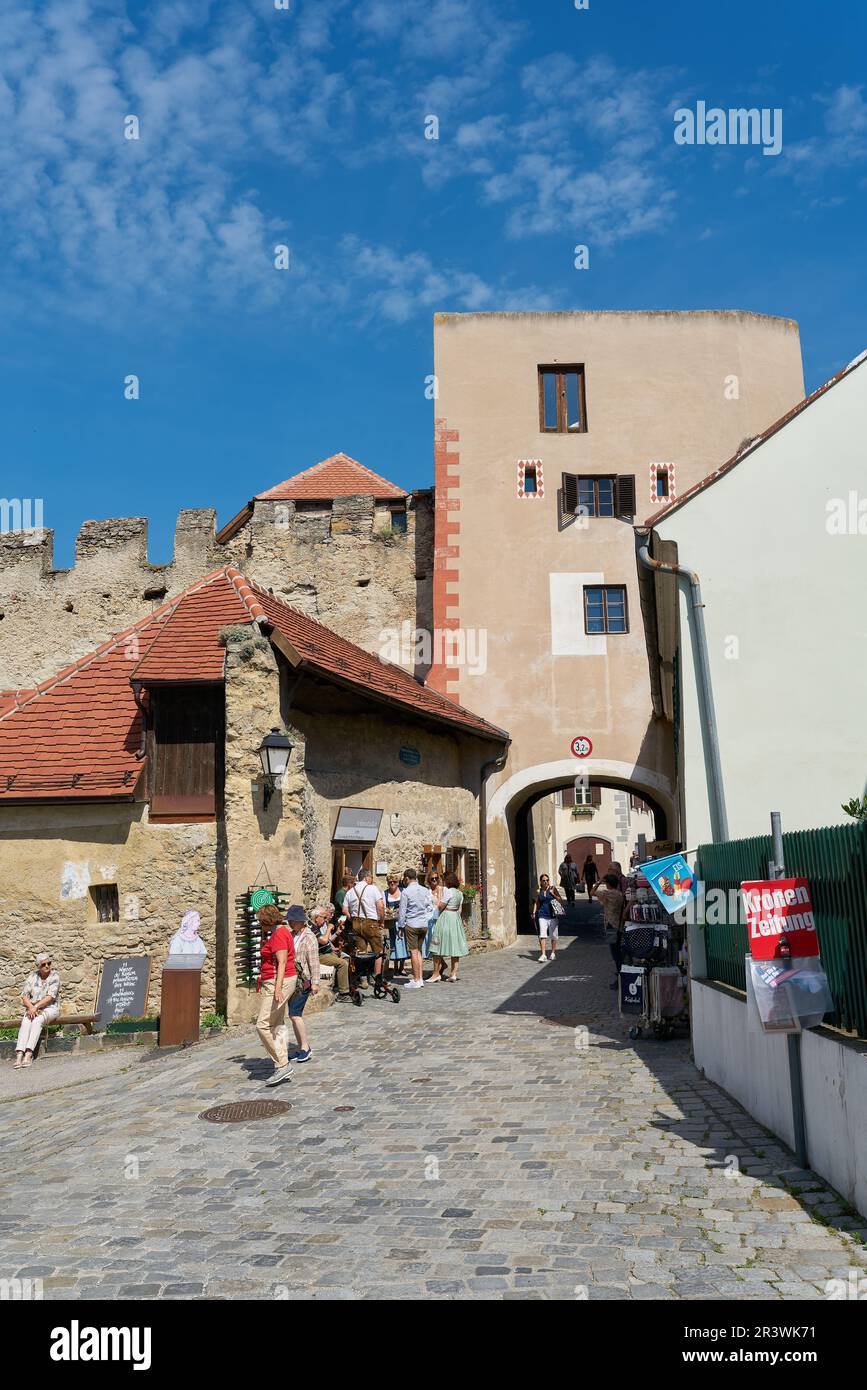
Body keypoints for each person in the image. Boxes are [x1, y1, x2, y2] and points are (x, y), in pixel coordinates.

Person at [256, 904, 295, 1087]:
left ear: (266, 921)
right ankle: (282, 1064)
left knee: (262, 1024)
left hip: (277, 982)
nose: (259, 925)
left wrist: (278, 988)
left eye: (260, 921)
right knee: (276, 1024)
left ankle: (282, 1064)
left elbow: (282, 963)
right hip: (276, 980)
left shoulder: (279, 934)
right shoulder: (279, 932)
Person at [14, 952, 61, 1068]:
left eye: (49, 963)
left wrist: (35, 1007)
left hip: (50, 1008)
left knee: (37, 1021)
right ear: (38, 966)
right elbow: (24, 996)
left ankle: (29, 1054)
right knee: (25, 1022)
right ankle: (19, 1054)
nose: (47, 966)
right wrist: (31, 1007)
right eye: (43, 964)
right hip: (33, 1008)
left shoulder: (54, 976)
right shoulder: (32, 976)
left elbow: (51, 997)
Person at [286, 905, 319, 1062]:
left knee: (294, 1014)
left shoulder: (309, 937)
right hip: (292, 980)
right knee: (293, 1015)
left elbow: (314, 962)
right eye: (290, 920)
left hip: (304, 981)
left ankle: (305, 1047)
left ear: (301, 921)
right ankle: (300, 1048)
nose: (291, 923)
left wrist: (315, 982)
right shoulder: (291, 935)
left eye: (293, 920)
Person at [344, 871, 386, 986]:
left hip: (356, 923)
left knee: (361, 952)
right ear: (367, 877)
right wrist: (381, 921)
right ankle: (377, 978)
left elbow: (344, 909)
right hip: (371, 922)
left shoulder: (351, 891)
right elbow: (381, 907)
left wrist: (351, 918)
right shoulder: (373, 889)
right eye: (371, 877)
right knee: (378, 951)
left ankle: (363, 979)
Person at [429, 871, 469, 981]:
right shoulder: (460, 893)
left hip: (446, 917)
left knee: (437, 944)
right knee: (454, 947)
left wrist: (436, 903)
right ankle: (453, 974)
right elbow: (460, 910)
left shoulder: (449, 892)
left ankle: (436, 974)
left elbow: (441, 906)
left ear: (448, 881)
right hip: (455, 918)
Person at [398, 868, 433, 989]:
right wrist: (425, 919)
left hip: (412, 924)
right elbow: (430, 907)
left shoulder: (406, 892)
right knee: (419, 951)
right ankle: (420, 978)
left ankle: (416, 979)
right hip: (423, 924)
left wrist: (400, 927)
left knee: (413, 952)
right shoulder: (425, 890)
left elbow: (402, 913)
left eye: (404, 879)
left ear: (407, 878)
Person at [311, 905, 352, 1002]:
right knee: (342, 963)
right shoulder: (312, 928)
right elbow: (324, 940)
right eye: (324, 918)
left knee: (347, 958)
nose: (325, 920)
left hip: (327, 951)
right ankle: (343, 993)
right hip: (320, 955)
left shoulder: (317, 926)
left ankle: (341, 986)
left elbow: (327, 941)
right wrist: (329, 928)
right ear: (317, 918)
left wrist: (336, 937)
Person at [595, 872, 627, 989]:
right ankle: (621, 975)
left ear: (608, 884)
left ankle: (620, 978)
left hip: (611, 926)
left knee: (615, 954)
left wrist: (598, 882)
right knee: (618, 952)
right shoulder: (619, 894)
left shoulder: (608, 893)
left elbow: (592, 892)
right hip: (618, 925)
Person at [531, 873, 563, 962]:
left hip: (553, 915)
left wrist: (553, 894)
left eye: (547, 880)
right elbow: (536, 903)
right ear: (540, 882)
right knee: (542, 935)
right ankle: (543, 954)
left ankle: (553, 953)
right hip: (542, 915)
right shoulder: (538, 891)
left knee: (553, 935)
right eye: (544, 880)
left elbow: (560, 900)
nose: (546, 882)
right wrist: (534, 912)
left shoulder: (553, 889)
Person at [383, 876, 408, 976]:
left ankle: (402, 967)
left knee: (403, 944)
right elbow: (384, 907)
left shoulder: (403, 891)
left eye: (394, 882)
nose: (392, 883)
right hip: (392, 922)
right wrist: (388, 911)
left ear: (398, 883)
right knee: (394, 944)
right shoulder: (385, 894)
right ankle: (395, 966)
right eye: (390, 882)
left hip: (403, 922)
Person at [424, 871, 441, 959]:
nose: (434, 880)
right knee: (431, 937)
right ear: (429, 880)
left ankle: (439, 957)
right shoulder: (427, 892)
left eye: (436, 878)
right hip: (430, 917)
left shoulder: (442, 890)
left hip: (440, 917)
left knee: (438, 938)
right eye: (432, 879)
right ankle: (432, 954)